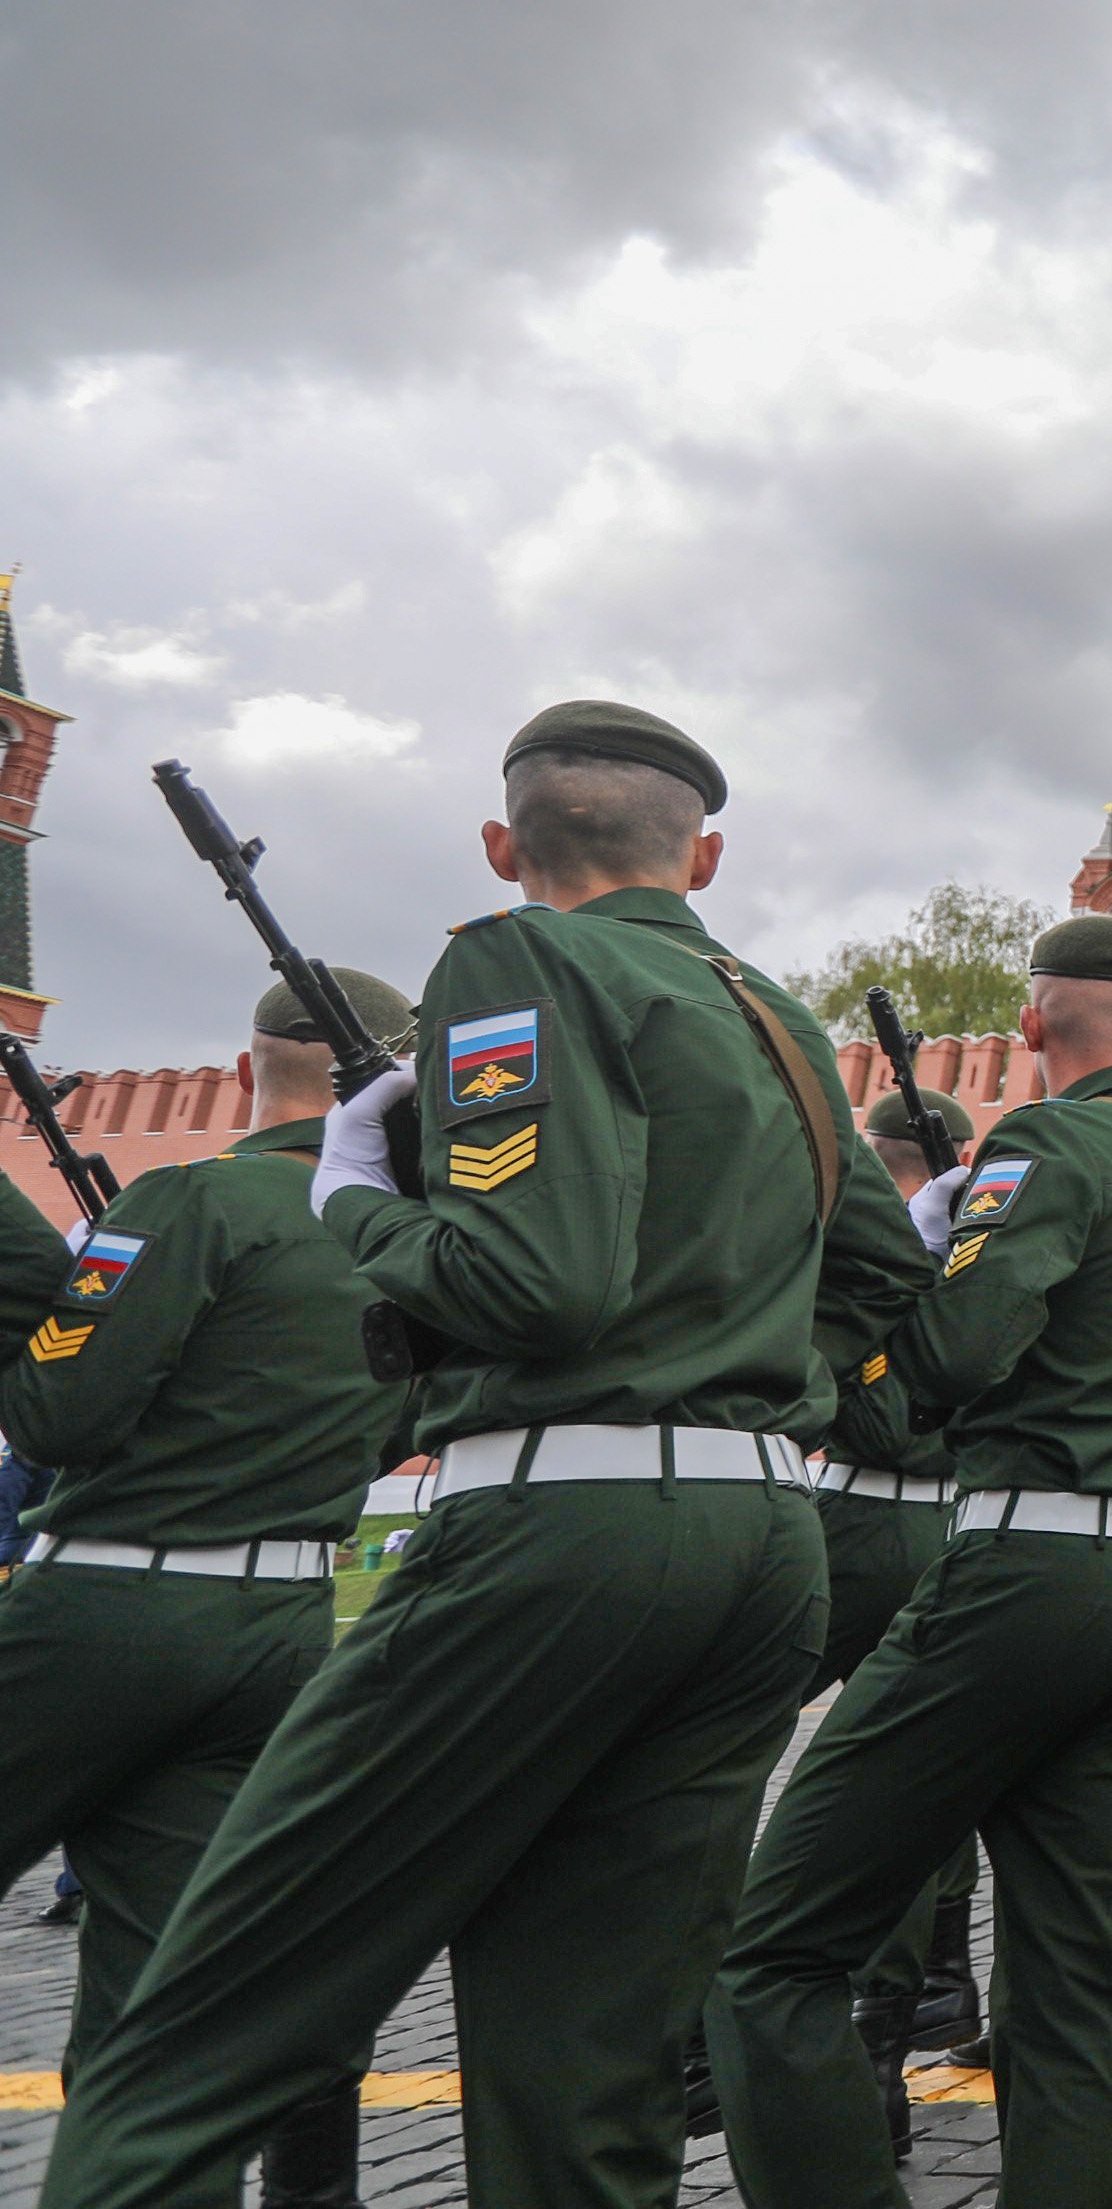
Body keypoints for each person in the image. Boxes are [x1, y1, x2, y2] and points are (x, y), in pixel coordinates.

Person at [45, 701, 927, 2209]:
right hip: (761, 1544)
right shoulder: (775, 1014)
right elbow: (880, 1286)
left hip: (555, 1535)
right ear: (699, 856)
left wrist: (358, 1198)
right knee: (585, 2077)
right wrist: (715, 1366)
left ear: (502, 843)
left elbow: (533, 1280)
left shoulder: (513, 957)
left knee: (184, 2039)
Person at [709, 915, 1112, 2209]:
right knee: (1068, 1978)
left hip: (1025, 1574)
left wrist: (905, 1286)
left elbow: (955, 1354)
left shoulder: (1053, 1140)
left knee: (772, 1954)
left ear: (1036, 1024)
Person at [1, 965, 419, 2209]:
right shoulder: (407, 1239)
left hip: (110, 1613)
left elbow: (56, 1418)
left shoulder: (192, 1200)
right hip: (285, 1626)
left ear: (247, 1073)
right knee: (159, 2020)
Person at [820, 1082, 989, 2136]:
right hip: (961, 1526)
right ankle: (938, 1975)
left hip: (859, 1520)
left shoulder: (882, 1251)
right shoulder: (994, 1250)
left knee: (724, 1747)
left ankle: (861, 2048)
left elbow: (861, 1400)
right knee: (934, 1768)